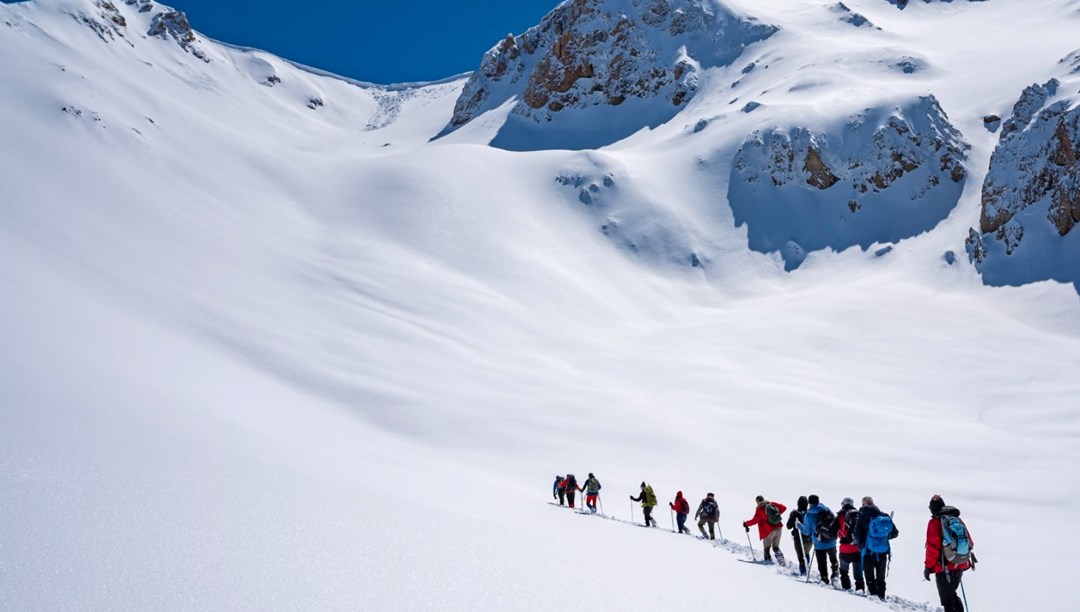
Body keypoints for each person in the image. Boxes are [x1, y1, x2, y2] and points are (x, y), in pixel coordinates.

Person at [924, 495, 975, 612]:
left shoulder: (934, 522)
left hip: (943, 566)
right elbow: (970, 542)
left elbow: (933, 548)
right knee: (952, 595)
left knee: (947, 600)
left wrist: (928, 567)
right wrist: (964, 559)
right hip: (959, 562)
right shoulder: (957, 520)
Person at [854, 495, 898, 600]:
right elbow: (895, 533)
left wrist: (860, 545)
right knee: (880, 578)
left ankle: (874, 599)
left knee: (870, 577)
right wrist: (883, 538)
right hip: (882, 552)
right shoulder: (884, 516)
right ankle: (881, 597)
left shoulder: (862, 517)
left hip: (868, 551)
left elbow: (857, 535)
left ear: (863, 505)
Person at [803, 494, 839, 585]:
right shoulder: (826, 509)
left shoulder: (808, 515)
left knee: (822, 562)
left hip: (819, 543)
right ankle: (835, 575)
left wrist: (799, 525)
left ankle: (824, 578)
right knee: (833, 559)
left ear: (809, 502)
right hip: (831, 540)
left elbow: (806, 532)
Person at [743, 495, 787, 565]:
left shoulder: (759, 509)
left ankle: (767, 564)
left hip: (768, 531)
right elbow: (784, 508)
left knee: (766, 549)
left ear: (757, 501)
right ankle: (782, 562)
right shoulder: (771, 503)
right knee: (776, 547)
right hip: (778, 528)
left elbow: (755, 520)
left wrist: (746, 524)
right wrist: (776, 514)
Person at [836, 497, 864, 592]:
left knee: (844, 572)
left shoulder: (840, 516)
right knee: (858, 574)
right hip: (857, 548)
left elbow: (831, 532)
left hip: (844, 549)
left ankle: (846, 590)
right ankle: (860, 590)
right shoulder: (858, 515)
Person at [786, 496, 812, 575]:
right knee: (806, 554)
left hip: (798, 538)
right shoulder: (810, 513)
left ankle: (803, 571)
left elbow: (788, 526)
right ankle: (807, 569)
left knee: (801, 557)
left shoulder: (794, 513)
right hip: (809, 538)